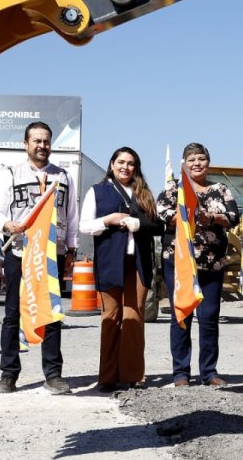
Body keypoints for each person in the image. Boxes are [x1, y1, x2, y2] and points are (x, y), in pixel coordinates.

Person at [0, 122, 79, 395]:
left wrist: (72, 249)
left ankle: (53, 375)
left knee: (51, 314)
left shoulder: (63, 176)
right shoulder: (10, 174)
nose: (42, 145)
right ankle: (8, 374)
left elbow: (71, 215)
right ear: (25, 144)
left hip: (52, 254)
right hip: (20, 252)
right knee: (13, 313)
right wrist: (7, 225)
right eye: (36, 141)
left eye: (46, 141)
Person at [79, 147, 163, 392]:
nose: (125, 167)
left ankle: (133, 374)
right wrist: (108, 220)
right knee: (111, 316)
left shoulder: (144, 192)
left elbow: (158, 226)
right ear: (112, 163)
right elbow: (84, 226)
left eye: (131, 163)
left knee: (133, 316)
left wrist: (139, 224)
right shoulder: (98, 191)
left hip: (138, 262)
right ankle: (107, 376)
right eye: (121, 162)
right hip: (110, 261)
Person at [156, 143, 238, 387]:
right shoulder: (173, 189)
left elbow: (232, 217)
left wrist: (210, 217)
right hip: (179, 262)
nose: (196, 163)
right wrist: (187, 215)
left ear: (208, 163)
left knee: (210, 317)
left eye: (201, 159)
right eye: (191, 159)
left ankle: (209, 372)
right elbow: (162, 214)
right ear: (184, 164)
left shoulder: (220, 190)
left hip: (212, 264)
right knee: (181, 315)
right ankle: (181, 373)